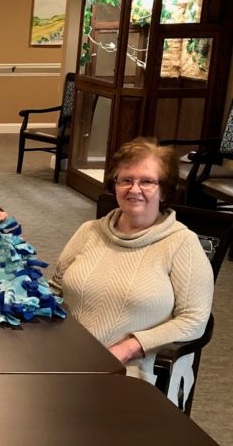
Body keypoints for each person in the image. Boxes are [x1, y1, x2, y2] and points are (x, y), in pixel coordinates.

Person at [50, 138, 212, 398]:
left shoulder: (182, 243)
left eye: (147, 181)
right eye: (125, 180)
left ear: (165, 191)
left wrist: (128, 348)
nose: (134, 189)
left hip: (134, 373)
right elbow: (55, 290)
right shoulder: (89, 231)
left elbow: (194, 320)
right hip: (67, 362)